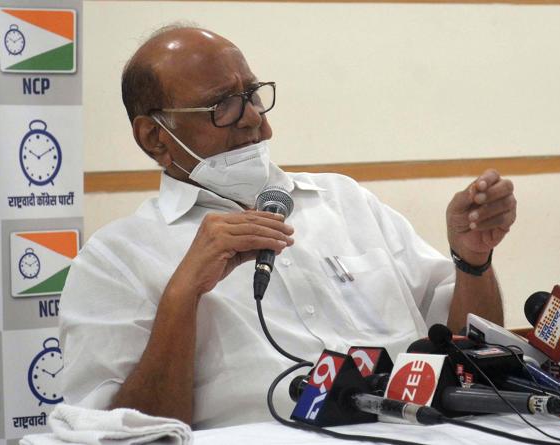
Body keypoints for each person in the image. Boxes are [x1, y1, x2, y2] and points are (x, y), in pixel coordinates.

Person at [59, 25, 516, 429]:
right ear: (155, 137)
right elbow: (123, 432)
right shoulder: (115, 259)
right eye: (222, 106)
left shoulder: (345, 200)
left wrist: (472, 262)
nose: (255, 118)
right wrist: (181, 297)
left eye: (252, 94)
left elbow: (469, 355)